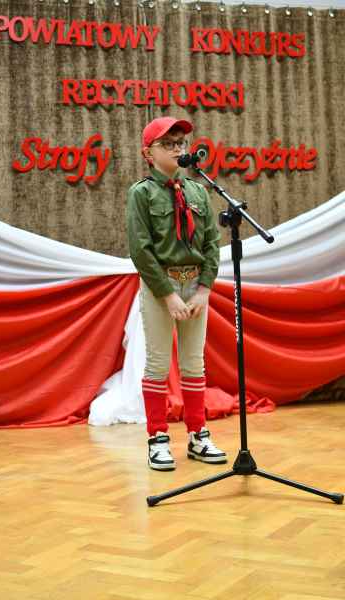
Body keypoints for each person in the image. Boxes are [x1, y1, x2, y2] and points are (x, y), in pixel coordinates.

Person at [126, 116, 227, 471]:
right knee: (157, 362)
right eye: (167, 144)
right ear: (148, 153)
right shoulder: (141, 193)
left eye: (181, 143)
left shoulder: (198, 191)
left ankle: (198, 435)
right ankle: (157, 438)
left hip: (195, 285)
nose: (177, 149)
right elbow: (140, 250)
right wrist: (168, 294)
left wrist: (204, 289)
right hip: (160, 286)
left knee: (194, 363)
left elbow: (212, 243)